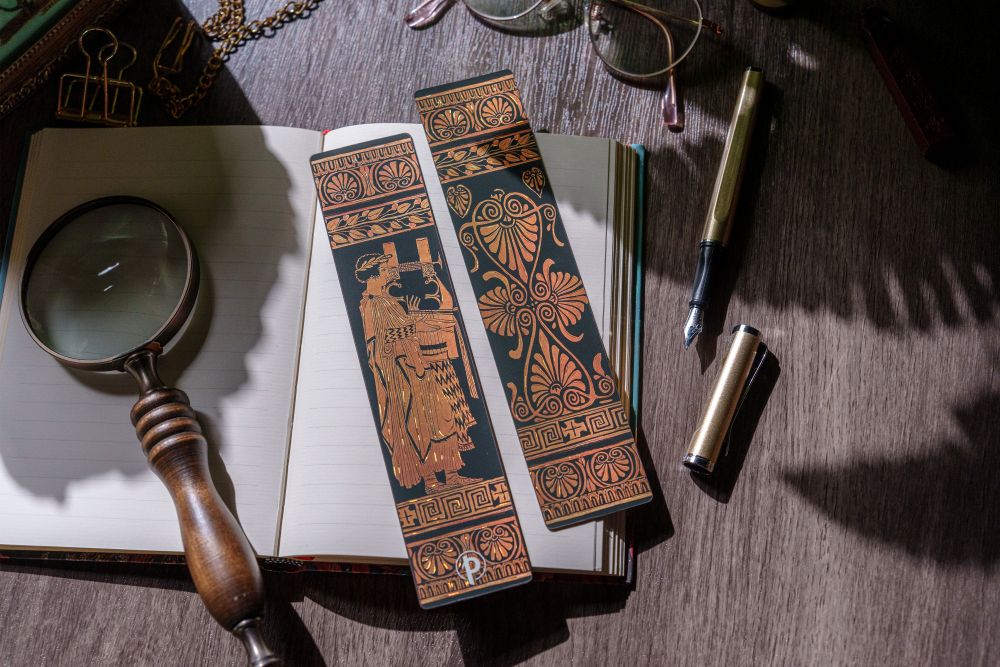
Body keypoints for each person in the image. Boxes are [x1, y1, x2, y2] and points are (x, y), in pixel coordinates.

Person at [355, 251, 479, 493]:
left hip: (418, 368)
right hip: (401, 375)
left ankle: (452, 475)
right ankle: (431, 481)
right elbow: (377, 342)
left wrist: (414, 323)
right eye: (383, 271)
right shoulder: (371, 305)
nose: (388, 274)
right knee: (419, 427)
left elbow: (399, 330)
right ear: (373, 275)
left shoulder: (387, 301)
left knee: (442, 418)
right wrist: (414, 326)